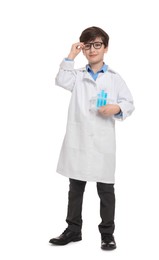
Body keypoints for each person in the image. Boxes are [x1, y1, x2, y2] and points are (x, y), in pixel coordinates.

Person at [49, 26, 135, 250]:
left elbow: (129, 103)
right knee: (75, 188)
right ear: (84, 49)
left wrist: (115, 108)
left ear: (105, 48)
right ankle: (73, 230)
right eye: (88, 45)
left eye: (97, 44)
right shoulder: (77, 76)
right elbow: (60, 79)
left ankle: (107, 233)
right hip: (79, 142)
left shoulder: (115, 79)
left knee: (106, 190)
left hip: (102, 143)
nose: (93, 49)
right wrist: (71, 55)